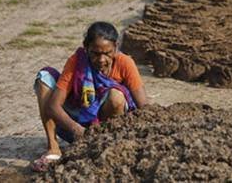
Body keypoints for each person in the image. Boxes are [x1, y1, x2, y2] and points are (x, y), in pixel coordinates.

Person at [32, 21, 148, 172]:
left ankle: (106, 147)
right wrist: (76, 129)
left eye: (107, 53)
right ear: (86, 48)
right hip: (78, 123)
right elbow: (53, 105)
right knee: (44, 78)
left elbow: (144, 106)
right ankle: (53, 149)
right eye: (95, 53)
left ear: (116, 48)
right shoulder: (77, 62)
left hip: (107, 126)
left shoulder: (125, 63)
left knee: (116, 96)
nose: (101, 60)